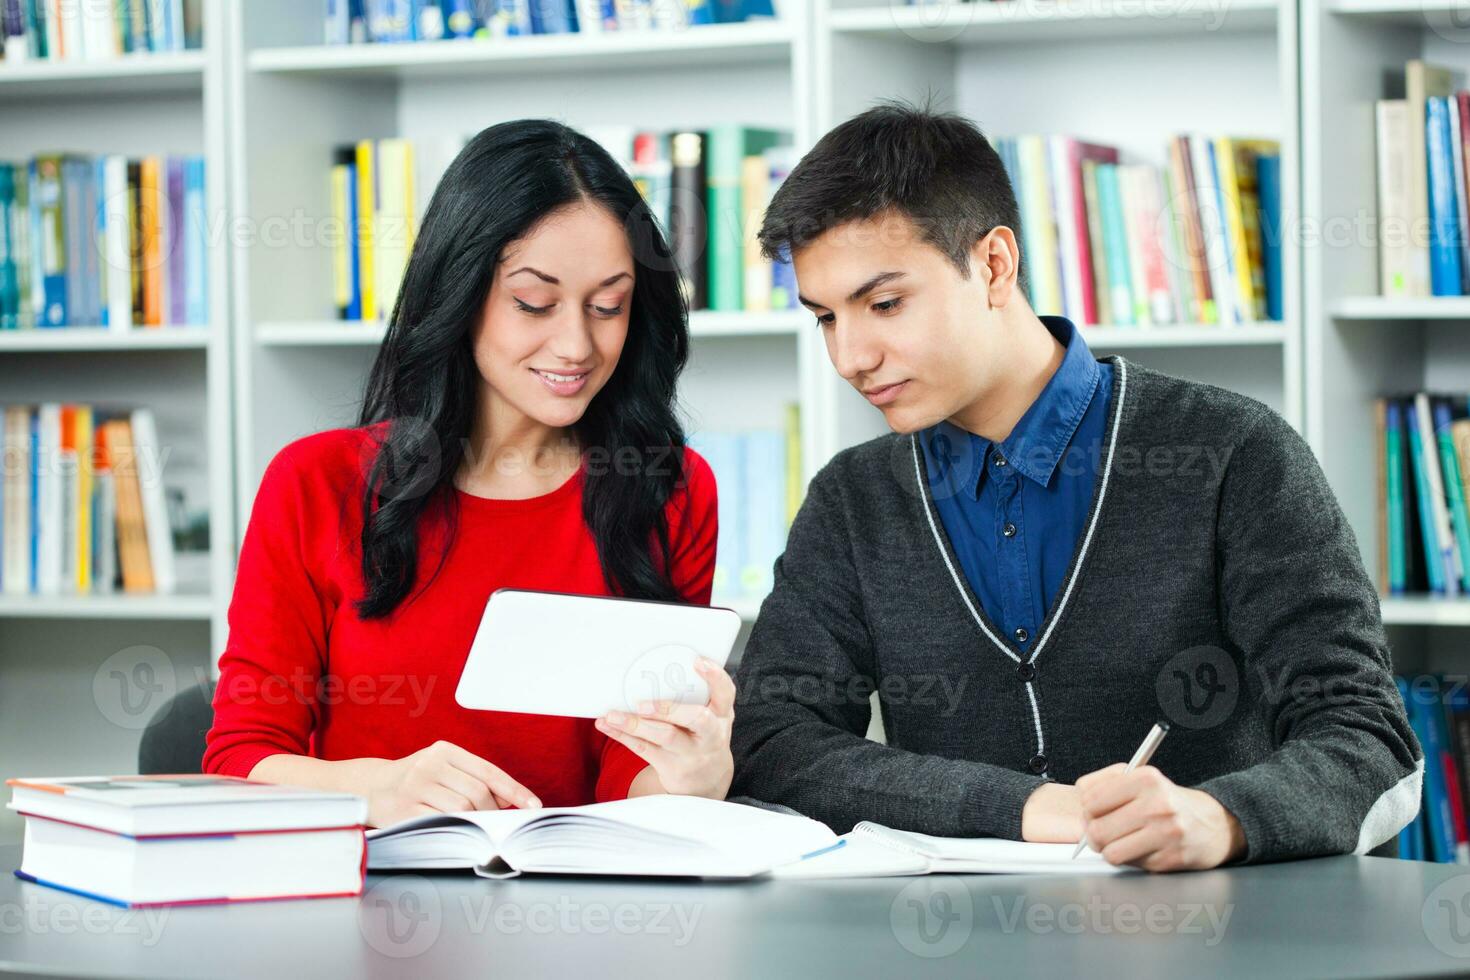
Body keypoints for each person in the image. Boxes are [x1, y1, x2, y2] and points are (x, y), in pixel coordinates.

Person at [729, 102, 1421, 871]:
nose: (851, 355)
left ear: (994, 265)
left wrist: (1224, 819)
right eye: (825, 317)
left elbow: (1369, 739)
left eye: (884, 303)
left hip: (1225, 945)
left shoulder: (1232, 453)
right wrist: (1025, 809)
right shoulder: (851, 501)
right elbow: (773, 743)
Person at [204, 120, 733, 827]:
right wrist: (378, 791)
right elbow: (240, 758)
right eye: (533, 303)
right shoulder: (316, 483)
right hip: (366, 906)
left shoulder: (669, 490)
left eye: (609, 306)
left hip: (575, 911)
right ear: (460, 289)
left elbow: (628, 785)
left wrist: (688, 779)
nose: (576, 344)